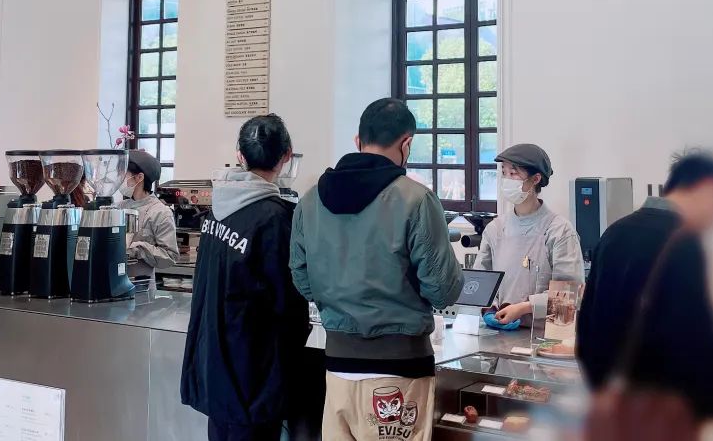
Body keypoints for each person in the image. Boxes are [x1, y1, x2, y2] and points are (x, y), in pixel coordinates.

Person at [290, 99, 463, 441]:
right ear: (406, 143)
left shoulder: (310, 200)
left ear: (358, 141)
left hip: (338, 367)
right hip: (399, 372)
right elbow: (443, 290)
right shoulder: (416, 199)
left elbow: (301, 277)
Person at [577, 151, 713, 425]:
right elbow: (702, 340)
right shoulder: (690, 244)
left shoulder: (614, 233)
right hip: (671, 412)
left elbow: (587, 326)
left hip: (617, 408)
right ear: (706, 190)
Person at [182, 115, 311, 441]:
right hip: (254, 375)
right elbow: (290, 303)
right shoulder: (275, 218)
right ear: (287, 156)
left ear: (239, 155)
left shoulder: (216, 211)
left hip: (214, 366)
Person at [475, 144, 584, 327]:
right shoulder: (495, 229)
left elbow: (570, 296)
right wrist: (490, 309)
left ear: (535, 179)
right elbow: (480, 283)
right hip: (500, 335)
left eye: (514, 173)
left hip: (544, 337)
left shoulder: (559, 231)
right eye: (504, 172)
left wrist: (524, 308)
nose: (507, 179)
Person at [119, 150, 179, 276]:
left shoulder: (160, 212)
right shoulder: (120, 207)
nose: (119, 179)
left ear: (139, 177)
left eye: (123, 174)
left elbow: (170, 256)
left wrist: (138, 249)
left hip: (142, 283)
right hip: (115, 279)